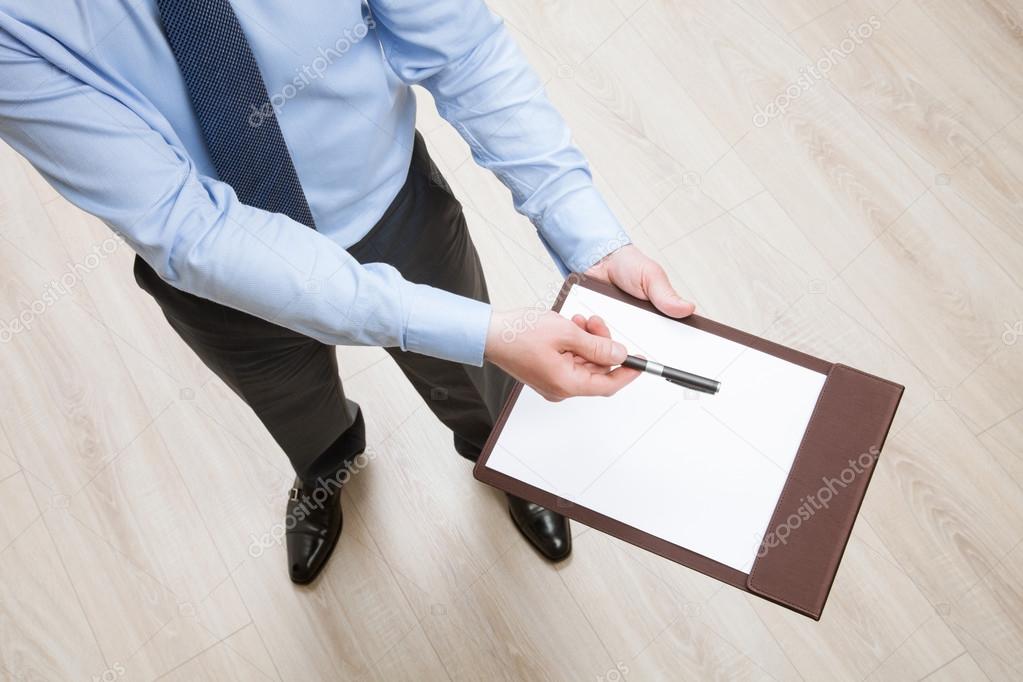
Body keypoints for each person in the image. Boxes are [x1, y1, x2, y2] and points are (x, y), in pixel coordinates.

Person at [0, 0, 694, 584]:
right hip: (216, 280)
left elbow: (462, 50)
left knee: (477, 379)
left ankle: (504, 462)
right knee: (291, 406)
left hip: (390, 204)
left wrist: (588, 237)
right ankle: (326, 471)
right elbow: (187, 229)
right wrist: (474, 325)